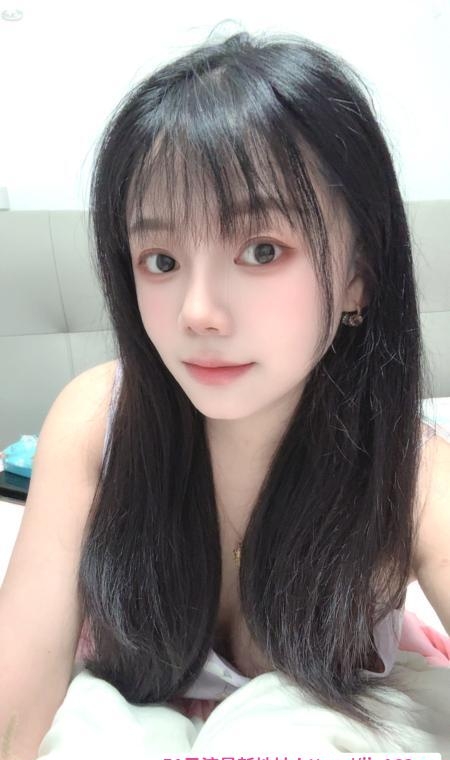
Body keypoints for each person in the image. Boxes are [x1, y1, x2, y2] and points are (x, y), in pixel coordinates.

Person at [1, 27, 450, 759]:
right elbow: (14, 703)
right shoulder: (94, 422)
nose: (198, 312)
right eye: (161, 259)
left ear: (359, 275)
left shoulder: (410, 469)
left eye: (261, 250)